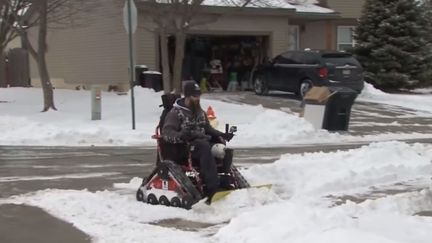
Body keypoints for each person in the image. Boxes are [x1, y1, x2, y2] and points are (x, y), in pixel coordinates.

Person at [161, 82, 234, 201]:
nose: (198, 99)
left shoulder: (200, 112)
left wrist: (222, 135)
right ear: (187, 96)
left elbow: (208, 128)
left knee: (222, 149)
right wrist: (181, 135)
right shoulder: (175, 113)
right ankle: (212, 188)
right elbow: (167, 133)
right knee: (204, 147)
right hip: (184, 147)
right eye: (195, 96)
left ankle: (226, 181)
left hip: (201, 143)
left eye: (199, 96)